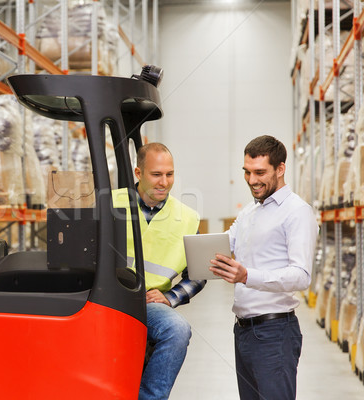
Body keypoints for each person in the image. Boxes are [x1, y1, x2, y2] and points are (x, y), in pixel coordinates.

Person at [210, 135, 318, 400]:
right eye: (246, 172)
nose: (251, 180)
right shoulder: (250, 211)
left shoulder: (297, 212)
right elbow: (222, 244)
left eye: (260, 172)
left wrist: (247, 276)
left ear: (280, 169)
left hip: (274, 334)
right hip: (243, 331)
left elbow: (301, 276)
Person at [112, 142, 206, 400]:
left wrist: (170, 297)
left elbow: (198, 273)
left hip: (150, 305)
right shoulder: (110, 204)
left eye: (169, 174)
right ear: (138, 173)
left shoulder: (186, 217)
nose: (164, 182)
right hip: (107, 299)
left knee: (177, 329)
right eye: (156, 174)